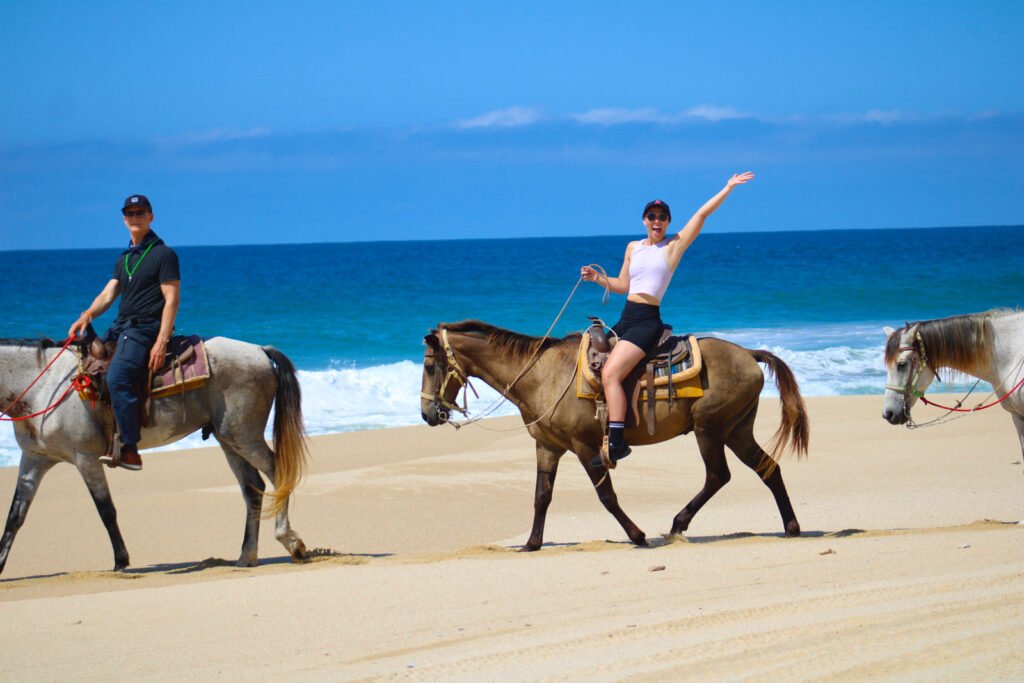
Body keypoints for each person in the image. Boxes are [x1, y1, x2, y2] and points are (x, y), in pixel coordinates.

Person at [580, 172, 755, 467]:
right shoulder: (633, 248)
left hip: (647, 322)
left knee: (610, 374)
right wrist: (597, 278)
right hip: (626, 318)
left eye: (662, 217)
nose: (656, 221)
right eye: (651, 216)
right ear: (644, 220)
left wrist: (727, 188)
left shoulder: (673, 247)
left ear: (668, 222)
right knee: (592, 360)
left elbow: (701, 214)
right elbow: (623, 285)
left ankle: (618, 443)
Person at [68, 195, 181, 471]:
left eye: (140, 212)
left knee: (118, 377)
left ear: (151, 217)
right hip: (121, 327)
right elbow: (108, 294)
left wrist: (161, 341)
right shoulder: (125, 258)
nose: (135, 217)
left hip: (145, 329)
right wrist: (87, 315)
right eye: (130, 213)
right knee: (78, 360)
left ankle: (130, 448)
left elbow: (172, 299)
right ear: (124, 219)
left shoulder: (164, 254)